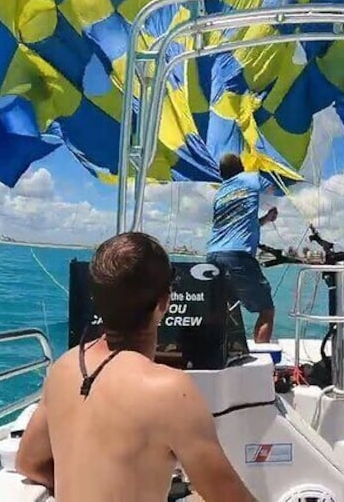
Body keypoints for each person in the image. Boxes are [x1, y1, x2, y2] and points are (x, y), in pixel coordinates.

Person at [15, 232, 255, 501]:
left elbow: (29, 463)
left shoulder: (65, 366)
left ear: (95, 297)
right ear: (164, 303)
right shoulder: (169, 391)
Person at [206, 153, 279, 343]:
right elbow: (274, 187)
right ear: (242, 167)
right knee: (266, 311)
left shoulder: (220, 193)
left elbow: (236, 223)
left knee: (224, 307)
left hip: (213, 255)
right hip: (238, 256)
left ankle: (218, 354)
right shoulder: (251, 178)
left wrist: (265, 219)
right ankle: (261, 366)